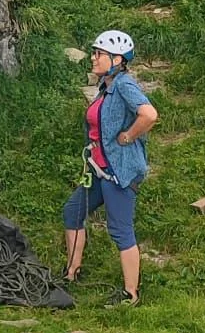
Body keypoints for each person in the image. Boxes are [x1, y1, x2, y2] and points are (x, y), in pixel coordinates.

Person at [62, 31, 158, 305]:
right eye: (94, 53)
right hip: (99, 169)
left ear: (117, 59)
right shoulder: (108, 85)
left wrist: (128, 136)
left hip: (119, 172)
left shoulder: (125, 85)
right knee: (72, 212)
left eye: (98, 54)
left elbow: (149, 115)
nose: (93, 58)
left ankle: (131, 293)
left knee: (120, 229)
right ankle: (72, 273)